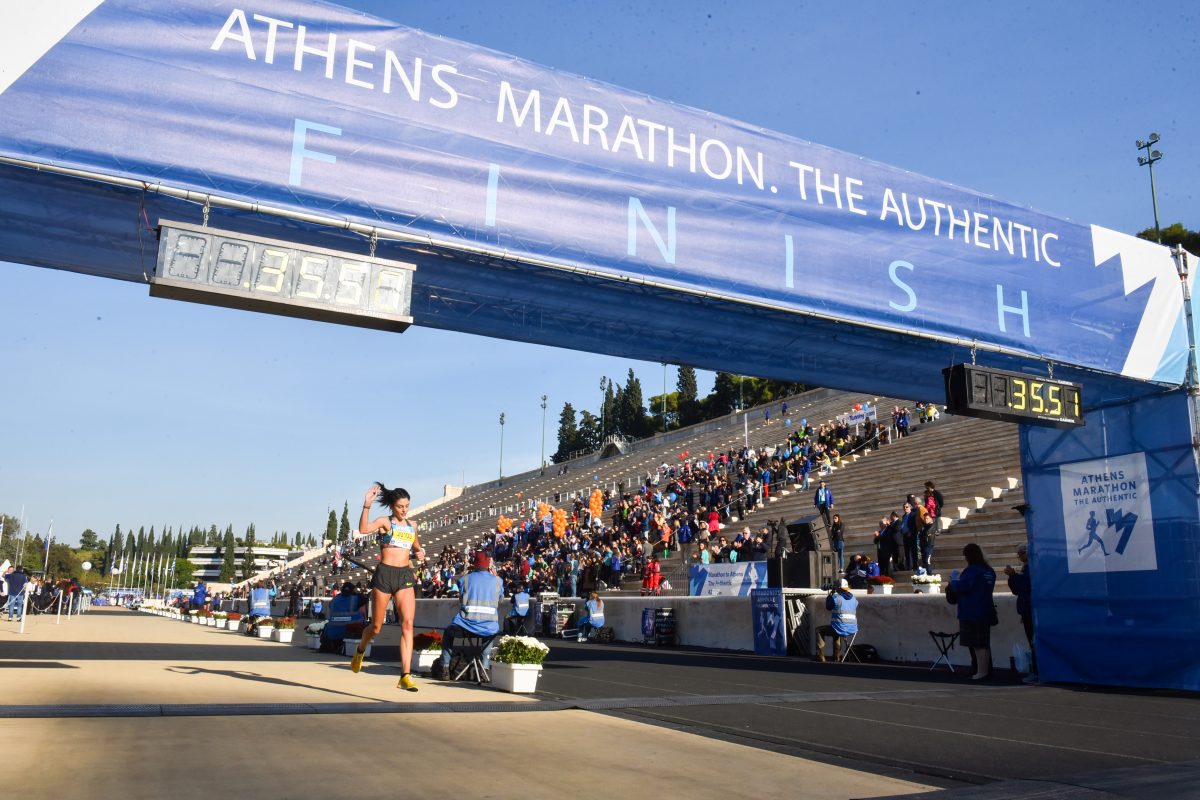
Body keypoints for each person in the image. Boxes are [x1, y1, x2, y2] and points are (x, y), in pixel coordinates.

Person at [350, 482, 426, 692]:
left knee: (408, 624)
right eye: (401, 506)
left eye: (407, 506)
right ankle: (360, 650)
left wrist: (420, 553)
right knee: (376, 627)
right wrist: (367, 505)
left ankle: (405, 675)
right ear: (393, 506)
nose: (404, 510)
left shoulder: (413, 525)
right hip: (384, 575)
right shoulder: (385, 522)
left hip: (404, 576)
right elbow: (364, 529)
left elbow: (417, 547)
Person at [431, 551, 504, 679]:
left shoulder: (464, 579)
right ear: (489, 565)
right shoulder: (498, 581)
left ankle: (445, 668)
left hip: (466, 625)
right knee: (489, 637)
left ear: (475, 563)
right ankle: (483, 669)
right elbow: (501, 600)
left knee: (448, 633)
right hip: (488, 626)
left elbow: (461, 600)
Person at [948, 543, 997, 681]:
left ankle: (981, 671)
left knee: (977, 644)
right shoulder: (989, 570)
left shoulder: (972, 570)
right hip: (985, 608)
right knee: (984, 643)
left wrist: (953, 582)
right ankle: (985, 670)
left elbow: (964, 586)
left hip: (972, 610)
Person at [1005, 544, 1037, 684]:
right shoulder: (1027, 568)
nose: (1019, 556)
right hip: (1026, 608)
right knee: (1032, 641)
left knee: (1035, 642)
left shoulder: (1033, 568)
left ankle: (1037, 671)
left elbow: (1025, 586)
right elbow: (1017, 590)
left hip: (1031, 608)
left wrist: (1013, 576)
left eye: (1021, 553)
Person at [815, 579, 858, 662]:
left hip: (840, 628)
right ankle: (836, 656)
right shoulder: (854, 598)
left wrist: (830, 596)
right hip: (853, 629)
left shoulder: (836, 597)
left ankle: (820, 656)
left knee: (819, 630)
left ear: (838, 588)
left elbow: (828, 607)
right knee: (837, 631)